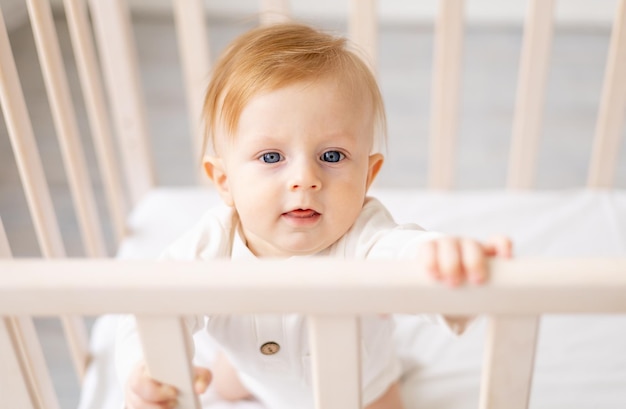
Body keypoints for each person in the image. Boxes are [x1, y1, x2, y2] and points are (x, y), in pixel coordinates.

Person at [116, 22, 512, 409]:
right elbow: (153, 305)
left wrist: (442, 262)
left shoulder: (363, 235)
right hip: (251, 371)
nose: (305, 179)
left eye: (332, 156)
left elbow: (402, 251)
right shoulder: (210, 245)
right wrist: (144, 368)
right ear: (224, 181)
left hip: (362, 389)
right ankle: (234, 371)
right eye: (271, 157)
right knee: (228, 378)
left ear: (368, 175)